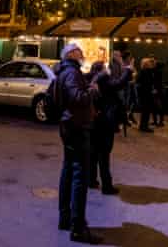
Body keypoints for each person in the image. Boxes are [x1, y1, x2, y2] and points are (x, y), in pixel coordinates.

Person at [54, 42, 101, 244]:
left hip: (68, 125)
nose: (82, 54)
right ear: (71, 53)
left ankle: (65, 219)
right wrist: (92, 91)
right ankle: (78, 228)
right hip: (76, 127)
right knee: (79, 176)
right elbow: (77, 97)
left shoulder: (65, 71)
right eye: (79, 51)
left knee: (68, 171)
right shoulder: (72, 73)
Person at [87, 57, 133, 195]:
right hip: (105, 123)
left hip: (92, 123)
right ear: (101, 70)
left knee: (93, 153)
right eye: (105, 67)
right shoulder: (103, 81)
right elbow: (119, 83)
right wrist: (128, 69)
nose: (108, 69)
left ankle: (91, 180)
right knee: (104, 154)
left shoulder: (90, 80)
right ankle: (107, 186)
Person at [136, 57, 156, 133]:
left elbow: (138, 81)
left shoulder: (142, 71)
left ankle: (143, 126)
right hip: (147, 94)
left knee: (145, 111)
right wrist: (151, 90)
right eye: (149, 63)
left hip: (143, 93)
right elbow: (148, 83)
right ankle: (144, 126)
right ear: (147, 64)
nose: (151, 64)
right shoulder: (147, 72)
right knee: (146, 111)